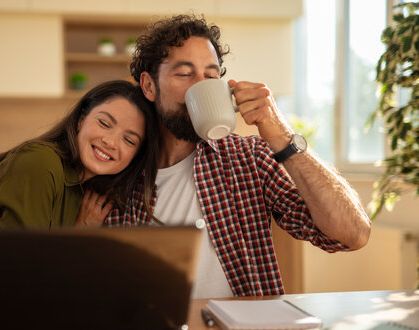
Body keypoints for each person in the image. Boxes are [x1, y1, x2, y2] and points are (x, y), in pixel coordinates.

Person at [104, 14, 371, 298]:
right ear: (148, 86)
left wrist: (280, 135)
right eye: (184, 74)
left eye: (210, 76)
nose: (200, 86)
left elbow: (352, 235)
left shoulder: (249, 159)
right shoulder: (116, 174)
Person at [0, 80, 160, 314]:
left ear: (135, 156)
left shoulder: (87, 195)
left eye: (129, 140)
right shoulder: (40, 163)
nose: (111, 142)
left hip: (0, 319)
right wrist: (78, 235)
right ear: (81, 119)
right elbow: (23, 276)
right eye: (105, 123)